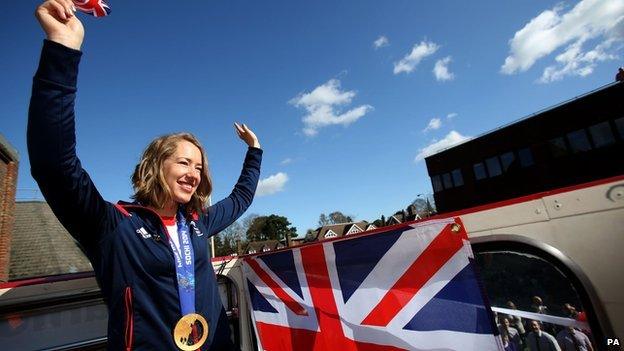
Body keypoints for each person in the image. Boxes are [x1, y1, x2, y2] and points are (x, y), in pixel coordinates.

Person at [28, 1, 262, 350]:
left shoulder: (198, 223)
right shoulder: (112, 225)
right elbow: (54, 164)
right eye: (184, 163)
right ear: (156, 165)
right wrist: (62, 49)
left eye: (199, 167)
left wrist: (254, 151)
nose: (194, 174)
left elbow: (241, 198)